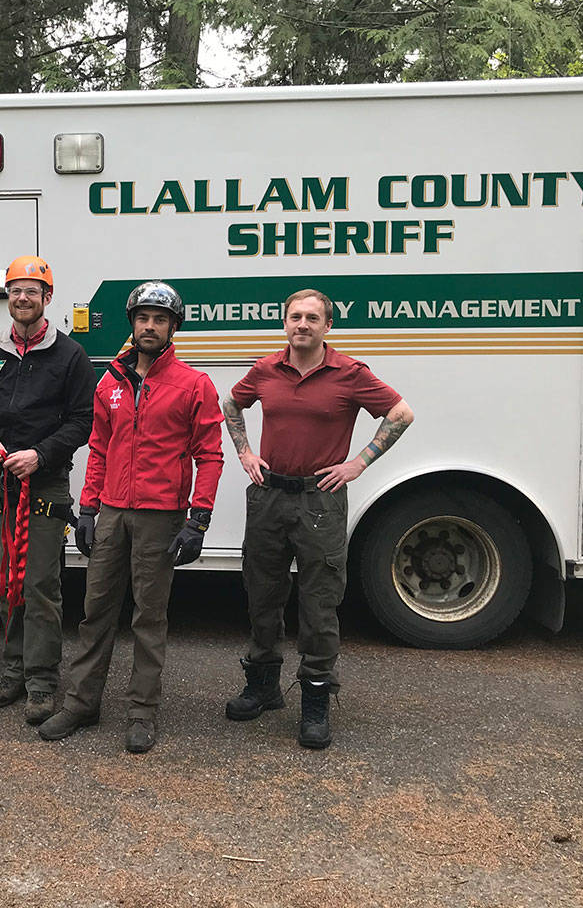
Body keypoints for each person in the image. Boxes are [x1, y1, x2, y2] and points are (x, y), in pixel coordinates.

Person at [221, 289, 415, 749]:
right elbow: (231, 404)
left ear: (328, 325)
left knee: (319, 602)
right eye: (295, 316)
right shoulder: (266, 370)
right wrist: (245, 452)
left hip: (319, 502)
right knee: (262, 595)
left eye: (312, 317)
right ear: (284, 323)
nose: (302, 324)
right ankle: (264, 687)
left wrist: (359, 462)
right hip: (269, 496)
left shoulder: (349, 373)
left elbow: (401, 413)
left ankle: (315, 699)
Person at [38, 281, 223, 753]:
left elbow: (210, 455)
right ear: (132, 323)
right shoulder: (110, 383)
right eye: (142, 318)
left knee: (148, 617)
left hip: (161, 517)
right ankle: (82, 703)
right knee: (95, 610)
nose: (149, 326)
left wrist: (197, 520)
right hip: (114, 513)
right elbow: (98, 448)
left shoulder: (194, 385)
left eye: (160, 319)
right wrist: (87, 509)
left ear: (173, 328)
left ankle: (142, 712)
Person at [0, 255, 96, 725]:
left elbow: (83, 421)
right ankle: (12, 670)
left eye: (32, 291)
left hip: (45, 481)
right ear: (8, 297)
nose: (22, 298)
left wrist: (42, 454)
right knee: (7, 579)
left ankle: (40, 681)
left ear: (47, 298)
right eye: (15, 290)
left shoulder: (69, 356)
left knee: (39, 582)